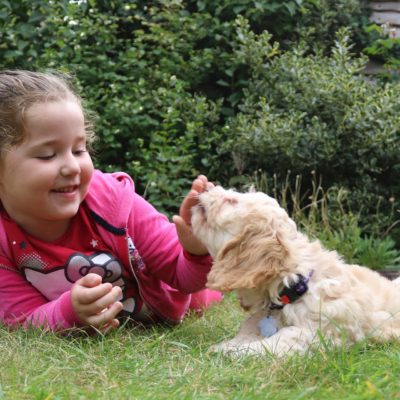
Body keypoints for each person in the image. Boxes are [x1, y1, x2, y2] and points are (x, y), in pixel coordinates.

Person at [0, 69, 221, 333]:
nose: (72, 167)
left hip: (175, 297)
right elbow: (23, 319)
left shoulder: (114, 202)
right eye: (48, 155)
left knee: (210, 292)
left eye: (79, 150)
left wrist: (197, 249)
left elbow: (181, 274)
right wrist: (70, 311)